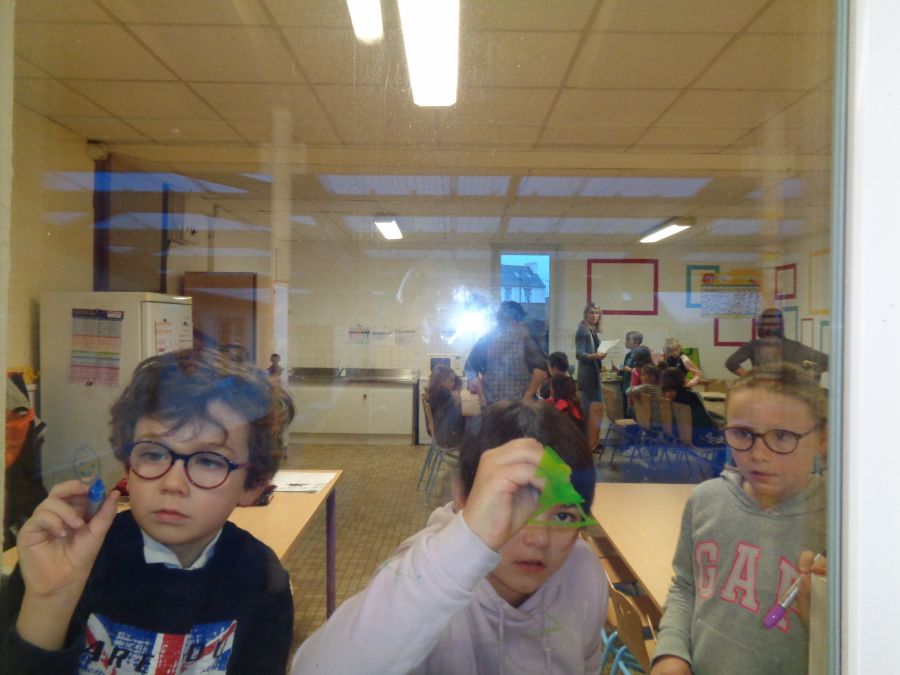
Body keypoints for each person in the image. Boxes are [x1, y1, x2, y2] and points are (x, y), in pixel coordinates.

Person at [0, 348, 296, 674]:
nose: (172, 483)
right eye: (153, 454)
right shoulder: (66, 555)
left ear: (252, 485)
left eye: (208, 461)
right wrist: (50, 598)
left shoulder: (261, 579)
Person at [291, 400, 609, 674]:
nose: (539, 539)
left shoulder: (582, 571)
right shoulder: (427, 578)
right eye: (512, 505)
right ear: (460, 495)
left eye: (563, 516)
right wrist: (469, 540)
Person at [650, 363, 827, 675]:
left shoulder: (841, 524)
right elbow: (686, 587)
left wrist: (826, 612)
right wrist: (671, 653)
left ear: (822, 438)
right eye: (743, 433)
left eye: (782, 435)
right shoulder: (705, 500)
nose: (758, 454)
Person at [465, 301, 548, 406]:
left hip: (518, 405)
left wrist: (528, 396)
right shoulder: (488, 339)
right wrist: (481, 395)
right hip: (493, 404)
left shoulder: (526, 339)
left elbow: (540, 369)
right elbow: (470, 367)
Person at [725, 308, 829, 377]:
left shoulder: (754, 345)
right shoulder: (795, 346)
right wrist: (810, 375)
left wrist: (751, 378)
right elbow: (828, 361)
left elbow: (731, 363)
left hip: (764, 392)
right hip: (789, 394)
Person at [575, 302, 607, 450]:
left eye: (597, 313)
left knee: (595, 411)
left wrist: (602, 353)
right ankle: (588, 444)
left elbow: (597, 350)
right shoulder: (583, 330)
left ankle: (593, 442)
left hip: (593, 375)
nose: (595, 316)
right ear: (586, 314)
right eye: (592, 313)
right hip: (587, 377)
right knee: (589, 412)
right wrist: (595, 356)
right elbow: (579, 354)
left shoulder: (592, 330)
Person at [424, 364, 465, 448]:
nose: (453, 383)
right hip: (447, 438)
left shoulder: (434, 393)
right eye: (451, 380)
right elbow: (456, 420)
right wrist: (457, 403)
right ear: (441, 381)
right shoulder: (444, 396)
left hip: (438, 435)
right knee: (475, 433)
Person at [626, 364, 663, 431]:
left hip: (651, 421)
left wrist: (632, 387)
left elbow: (628, 392)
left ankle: (633, 432)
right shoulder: (659, 387)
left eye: (643, 375)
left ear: (652, 377)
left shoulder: (646, 387)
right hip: (658, 421)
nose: (640, 377)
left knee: (631, 409)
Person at [618, 331, 643, 416]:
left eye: (628, 340)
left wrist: (629, 370)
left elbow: (642, 373)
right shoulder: (628, 354)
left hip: (634, 389)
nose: (626, 342)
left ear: (636, 342)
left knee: (632, 415)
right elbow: (626, 370)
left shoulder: (641, 355)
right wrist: (619, 371)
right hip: (625, 388)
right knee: (626, 414)